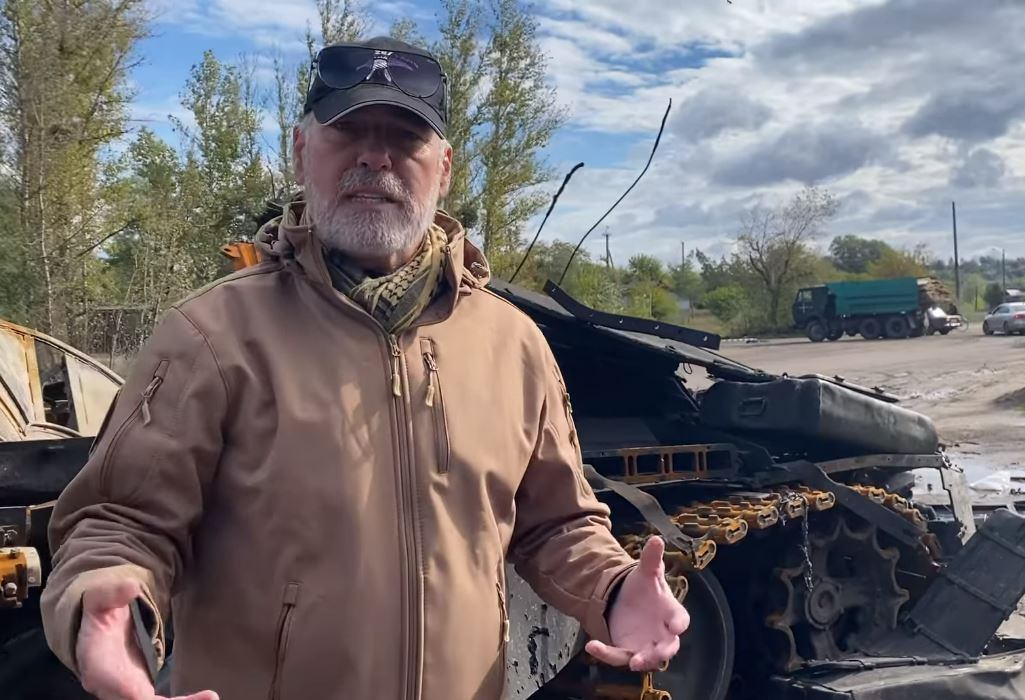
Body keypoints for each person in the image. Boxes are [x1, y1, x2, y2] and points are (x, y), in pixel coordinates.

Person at [40, 35, 689, 700]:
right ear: (301, 152)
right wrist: (104, 602)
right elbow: (122, 522)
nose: (374, 156)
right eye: (349, 132)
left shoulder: (513, 345)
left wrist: (611, 589)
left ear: (444, 168)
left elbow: (557, 524)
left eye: (405, 138)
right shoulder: (212, 336)